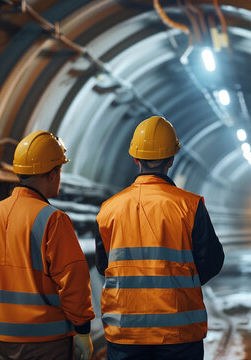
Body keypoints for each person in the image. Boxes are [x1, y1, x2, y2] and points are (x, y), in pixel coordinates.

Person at [95, 116, 224, 360]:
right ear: (172, 159)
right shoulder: (190, 205)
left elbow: (104, 266)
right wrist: (181, 285)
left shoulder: (108, 209)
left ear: (135, 158)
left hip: (125, 329)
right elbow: (212, 261)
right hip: (179, 329)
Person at [0, 131, 95, 360]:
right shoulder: (52, 219)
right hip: (45, 339)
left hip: (0, 336)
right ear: (53, 174)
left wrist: (5, 305)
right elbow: (73, 278)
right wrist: (83, 330)